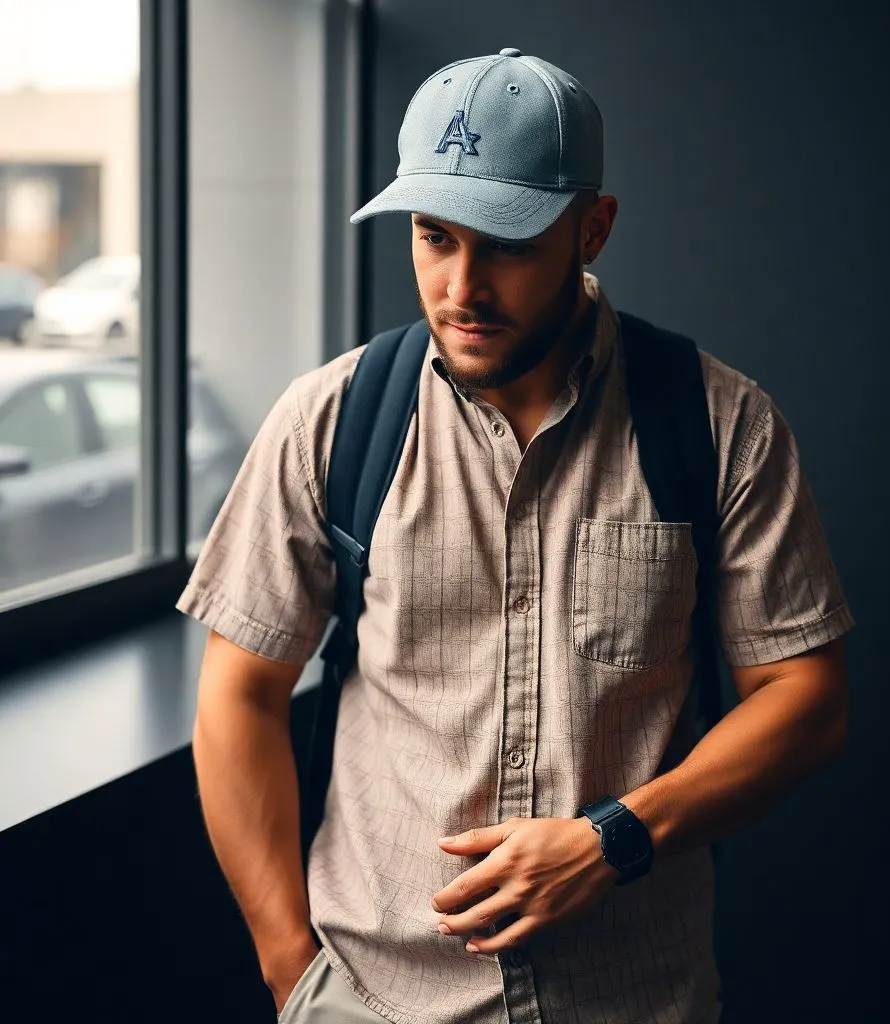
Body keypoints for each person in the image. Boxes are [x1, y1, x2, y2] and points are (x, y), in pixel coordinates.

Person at [179, 47, 855, 1024]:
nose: (461, 286)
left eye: (506, 243)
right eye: (433, 236)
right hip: (374, 996)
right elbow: (239, 690)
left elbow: (807, 697)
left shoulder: (719, 426)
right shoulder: (332, 419)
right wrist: (292, 971)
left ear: (592, 227)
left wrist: (615, 838)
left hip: (635, 1001)